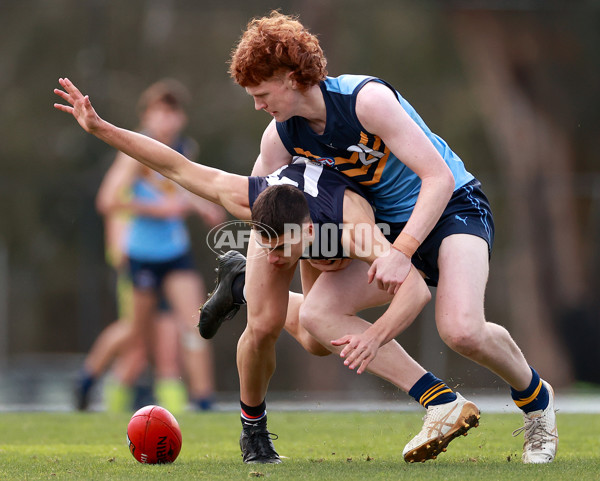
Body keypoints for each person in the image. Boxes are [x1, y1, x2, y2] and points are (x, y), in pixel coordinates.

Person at [54, 77, 482, 464]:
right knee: (262, 327)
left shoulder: (353, 225)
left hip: (330, 218)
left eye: (282, 249)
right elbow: (175, 166)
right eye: (267, 246)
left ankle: (239, 284)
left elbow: (415, 290)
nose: (277, 258)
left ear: (310, 230)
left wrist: (374, 336)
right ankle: (253, 432)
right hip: (284, 212)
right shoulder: (249, 201)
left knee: (317, 341)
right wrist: (100, 127)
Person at [212, 10, 556, 465]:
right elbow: (263, 204)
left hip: (452, 210)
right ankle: (439, 402)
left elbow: (437, 178)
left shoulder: (365, 100)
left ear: (292, 77)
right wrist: (271, 254)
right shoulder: (279, 138)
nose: (258, 104)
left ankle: (537, 401)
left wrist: (403, 252)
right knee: (318, 321)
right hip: (386, 232)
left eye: (261, 93)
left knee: (462, 330)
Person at [73, 79, 226, 412]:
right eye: (160, 112)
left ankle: (203, 402)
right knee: (134, 335)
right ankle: (87, 379)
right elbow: (107, 200)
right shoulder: (134, 153)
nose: (166, 120)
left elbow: (180, 187)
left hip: (175, 253)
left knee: (197, 322)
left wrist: (204, 207)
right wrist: (157, 210)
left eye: (173, 113)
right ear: (146, 116)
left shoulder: (186, 149)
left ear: (182, 118)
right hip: (141, 254)